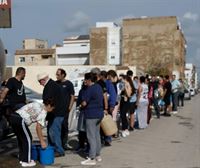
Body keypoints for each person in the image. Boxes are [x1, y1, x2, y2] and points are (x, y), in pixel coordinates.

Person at [9, 99, 55, 167]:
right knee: (28, 139)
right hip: (20, 119)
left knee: (21, 139)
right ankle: (26, 161)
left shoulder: (37, 103)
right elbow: (38, 128)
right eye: (52, 108)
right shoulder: (43, 112)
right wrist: (42, 141)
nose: (52, 110)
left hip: (13, 116)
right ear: (49, 106)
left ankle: (22, 158)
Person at [37, 72, 66, 157]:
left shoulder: (50, 86)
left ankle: (59, 150)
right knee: (52, 131)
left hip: (56, 113)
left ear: (43, 80)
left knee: (54, 132)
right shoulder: (52, 84)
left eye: (40, 82)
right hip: (56, 112)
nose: (40, 84)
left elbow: (48, 101)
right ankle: (53, 148)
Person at [80, 72, 104, 166]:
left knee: (91, 136)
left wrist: (81, 105)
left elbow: (84, 103)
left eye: (85, 79)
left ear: (89, 80)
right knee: (97, 135)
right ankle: (98, 155)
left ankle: (92, 157)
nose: (84, 81)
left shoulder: (89, 89)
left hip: (91, 114)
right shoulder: (98, 87)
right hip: (99, 114)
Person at [55, 68, 75, 150]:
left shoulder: (68, 84)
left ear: (63, 75)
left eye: (58, 74)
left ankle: (64, 143)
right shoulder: (55, 84)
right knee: (57, 127)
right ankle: (58, 144)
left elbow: (72, 96)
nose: (57, 76)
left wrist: (70, 107)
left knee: (64, 127)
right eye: (56, 74)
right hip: (56, 110)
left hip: (65, 110)